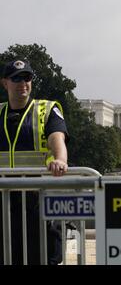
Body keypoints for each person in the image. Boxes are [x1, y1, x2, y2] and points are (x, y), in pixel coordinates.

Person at [0, 59, 69, 265]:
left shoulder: (46, 110)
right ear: (5, 83)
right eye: (17, 79)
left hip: (38, 201)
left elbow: (57, 137)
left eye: (27, 78)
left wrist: (60, 160)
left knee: (43, 257)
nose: (23, 83)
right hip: (4, 203)